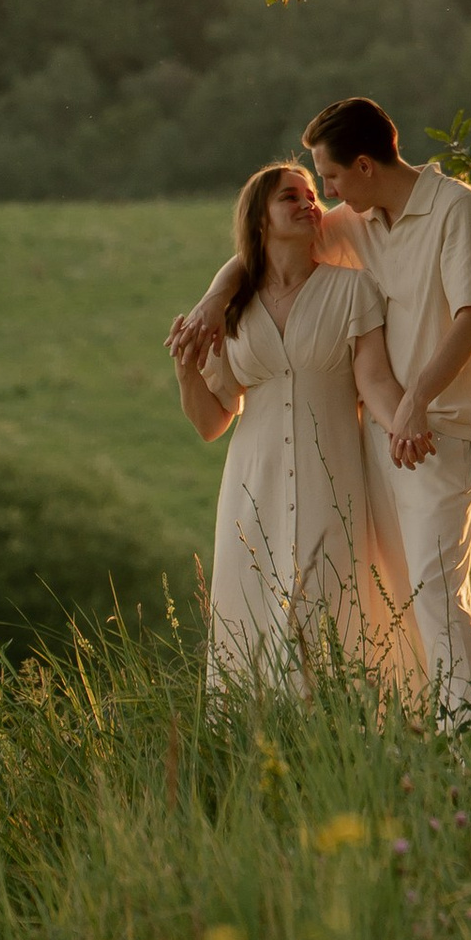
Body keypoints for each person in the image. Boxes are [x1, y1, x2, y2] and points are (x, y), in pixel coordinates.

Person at [170, 96, 471, 745]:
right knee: (390, 598)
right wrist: (212, 300)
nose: (322, 198)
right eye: (308, 188)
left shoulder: (456, 210)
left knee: (435, 596)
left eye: (326, 179)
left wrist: (412, 405)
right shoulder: (359, 220)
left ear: (363, 166)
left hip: (436, 430)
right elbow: (257, 249)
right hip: (378, 439)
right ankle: (405, 745)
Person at [171, 161, 419, 696]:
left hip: (331, 485)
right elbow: (212, 422)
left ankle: (341, 736)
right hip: (250, 492)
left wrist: (407, 420)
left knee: (334, 622)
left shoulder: (352, 290)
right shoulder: (232, 310)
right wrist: (186, 372)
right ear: (259, 218)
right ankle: (256, 741)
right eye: (291, 196)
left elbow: (374, 380)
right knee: (250, 627)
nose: (309, 203)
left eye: (312, 195)